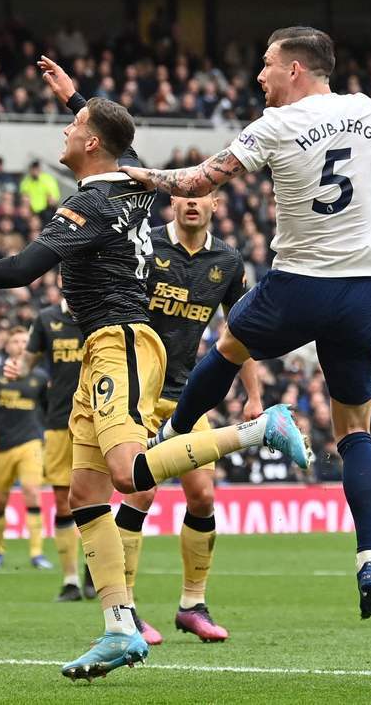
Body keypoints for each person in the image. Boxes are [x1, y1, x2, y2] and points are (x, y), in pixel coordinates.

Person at [0, 57, 307, 680]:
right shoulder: (133, 182)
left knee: (128, 476)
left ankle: (262, 431)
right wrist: (77, 95)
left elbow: (21, 270)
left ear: (90, 142)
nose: (64, 130)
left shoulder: (91, 205)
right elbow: (119, 136)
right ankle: (120, 628)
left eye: (72, 123)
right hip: (117, 341)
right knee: (85, 493)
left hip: (117, 342)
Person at [123, 26, 371, 618]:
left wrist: (139, 175)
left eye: (266, 65)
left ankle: (172, 433)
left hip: (299, 284)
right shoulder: (365, 111)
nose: (259, 76)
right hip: (365, 288)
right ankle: (370, 558)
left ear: (295, 69)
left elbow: (194, 183)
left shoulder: (274, 126)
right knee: (355, 431)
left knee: (232, 342)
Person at [117, 191, 263, 645]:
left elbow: (239, 332)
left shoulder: (228, 261)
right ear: (172, 204)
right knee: (141, 494)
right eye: (183, 196)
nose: (192, 203)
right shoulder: (148, 247)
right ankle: (124, 610)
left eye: (201, 197)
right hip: (139, 393)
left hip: (187, 398)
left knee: (202, 497)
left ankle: (192, 605)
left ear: (217, 204)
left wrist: (253, 395)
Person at [13, 294, 95, 600]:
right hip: (59, 420)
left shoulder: (101, 310)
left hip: (99, 419)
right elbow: (27, 363)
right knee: (63, 502)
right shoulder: (46, 319)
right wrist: (17, 369)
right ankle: (71, 580)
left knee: (97, 499)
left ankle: (95, 572)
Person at [0, 328, 51, 571]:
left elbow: (46, 408)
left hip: (31, 441)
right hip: (1, 444)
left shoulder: (40, 377)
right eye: (16, 341)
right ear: (7, 345)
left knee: (32, 492)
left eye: (25, 341)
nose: (21, 345)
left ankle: (36, 553)